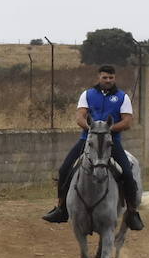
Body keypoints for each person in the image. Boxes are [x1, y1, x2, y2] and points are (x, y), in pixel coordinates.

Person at [41, 64, 143, 230]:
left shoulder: (122, 97)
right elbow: (80, 117)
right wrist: (93, 130)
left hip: (112, 141)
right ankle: (61, 208)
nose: (108, 80)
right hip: (87, 139)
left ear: (114, 78)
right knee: (64, 169)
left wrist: (107, 129)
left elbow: (127, 121)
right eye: (105, 77)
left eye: (111, 78)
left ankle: (132, 212)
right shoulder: (87, 94)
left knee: (128, 173)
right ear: (99, 78)